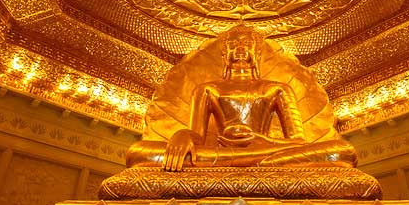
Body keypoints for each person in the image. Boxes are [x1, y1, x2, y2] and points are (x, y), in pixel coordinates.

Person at [126, 25, 357, 171]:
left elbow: (298, 142)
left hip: (267, 150)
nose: (240, 48)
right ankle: (260, 164)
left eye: (246, 44)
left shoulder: (277, 89)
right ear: (224, 53)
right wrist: (181, 135)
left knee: (342, 150)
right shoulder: (207, 89)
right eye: (233, 45)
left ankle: (258, 161)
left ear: (257, 52)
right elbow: (196, 136)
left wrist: (263, 142)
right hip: (220, 153)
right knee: (138, 152)